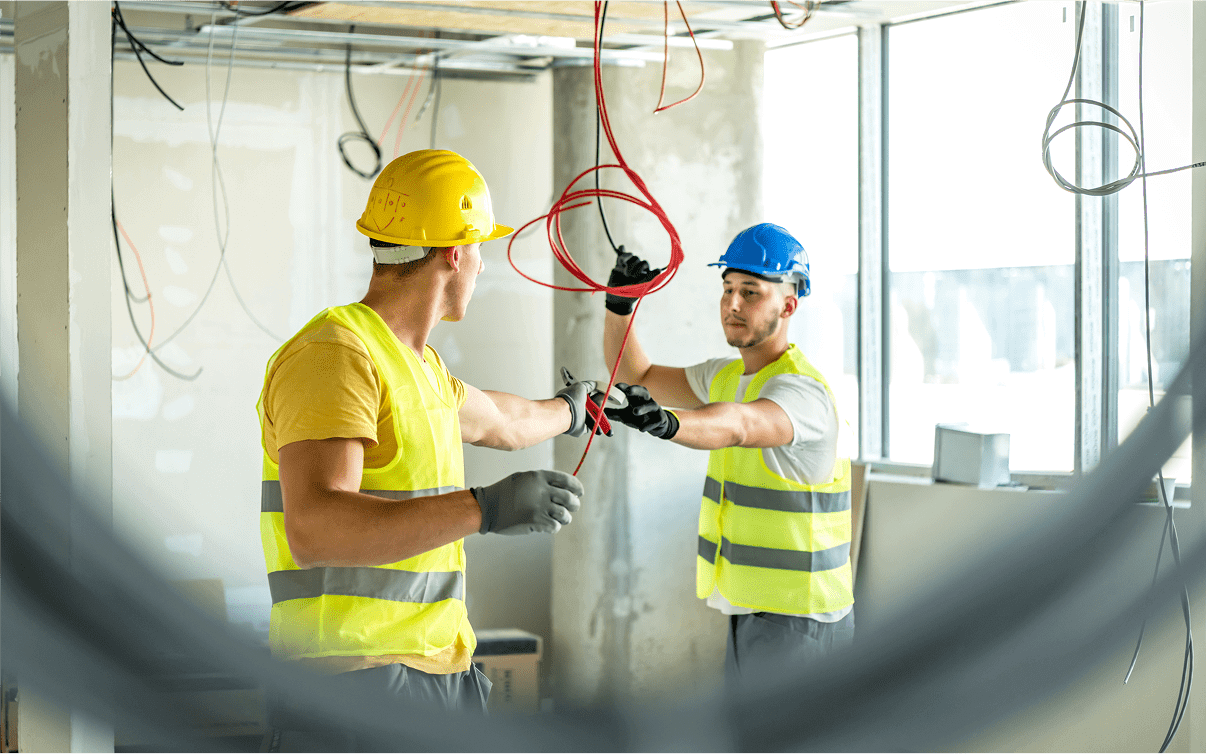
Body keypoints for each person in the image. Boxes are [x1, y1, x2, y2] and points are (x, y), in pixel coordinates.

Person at [257, 150, 601, 744]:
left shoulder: (417, 366)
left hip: (431, 672)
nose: (481, 267)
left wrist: (575, 408)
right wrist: (484, 508)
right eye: (480, 250)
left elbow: (501, 420)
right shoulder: (335, 356)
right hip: (353, 684)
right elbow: (315, 528)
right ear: (453, 253)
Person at [599, 223, 854, 692]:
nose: (733, 304)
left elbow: (739, 425)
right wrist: (620, 307)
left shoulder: (802, 392)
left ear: (788, 305)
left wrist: (669, 422)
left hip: (801, 621)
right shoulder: (726, 376)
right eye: (728, 289)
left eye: (751, 292)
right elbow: (637, 373)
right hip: (751, 612)